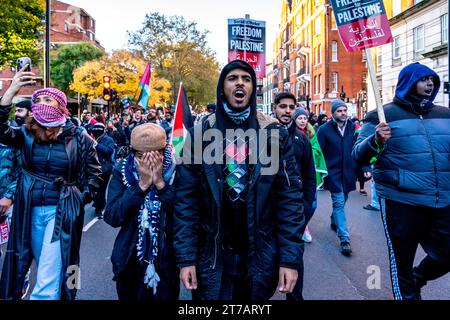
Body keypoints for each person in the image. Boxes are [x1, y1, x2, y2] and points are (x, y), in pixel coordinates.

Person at [173, 60, 304, 300]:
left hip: (257, 256)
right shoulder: (199, 135)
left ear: (253, 88)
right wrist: (186, 258)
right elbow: (185, 201)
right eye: (232, 78)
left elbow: (290, 200)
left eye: (246, 79)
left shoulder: (274, 134)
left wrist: (290, 259)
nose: (240, 83)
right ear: (222, 87)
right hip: (213, 256)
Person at [0, 66, 102, 300]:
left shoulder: (79, 136)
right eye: (39, 99)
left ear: (61, 106)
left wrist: (77, 199)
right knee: (28, 264)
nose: (42, 102)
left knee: (47, 276)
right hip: (29, 210)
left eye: (49, 99)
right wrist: (11, 92)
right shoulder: (25, 133)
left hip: (60, 213)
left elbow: (94, 175)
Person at [353, 62, 450, 300]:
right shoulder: (382, 115)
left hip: (442, 199)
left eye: (432, 80)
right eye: (423, 79)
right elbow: (357, 154)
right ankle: (407, 289)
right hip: (401, 200)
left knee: (446, 255)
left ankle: (417, 279)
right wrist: (375, 140)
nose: (430, 84)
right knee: (402, 266)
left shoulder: (444, 114)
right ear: (409, 83)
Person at [104, 123, 178, 300]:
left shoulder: (177, 172)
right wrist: (141, 186)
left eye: (155, 155)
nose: (148, 162)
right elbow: (112, 216)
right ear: (132, 151)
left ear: (165, 150)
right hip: (129, 259)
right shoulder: (122, 170)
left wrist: (161, 184)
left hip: (166, 262)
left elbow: (184, 216)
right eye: (140, 156)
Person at [272, 93, 315, 301]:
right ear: (274, 108)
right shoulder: (264, 136)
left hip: (294, 211)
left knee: (294, 262)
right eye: (282, 106)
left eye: (291, 107)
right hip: (269, 212)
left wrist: (305, 210)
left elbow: (309, 178)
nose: (287, 111)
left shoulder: (302, 139)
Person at [317, 99, 357, 256]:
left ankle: (334, 218)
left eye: (345, 110)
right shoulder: (324, 130)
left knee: (343, 200)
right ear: (333, 113)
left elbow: (357, 148)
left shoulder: (353, 128)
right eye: (339, 111)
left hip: (348, 172)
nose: (343, 113)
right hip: (333, 173)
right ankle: (344, 239)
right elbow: (318, 152)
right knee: (339, 202)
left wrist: (364, 168)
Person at [293, 107, 328, 243]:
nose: (302, 121)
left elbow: (316, 149)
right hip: (295, 174)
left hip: (310, 173)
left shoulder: (311, 132)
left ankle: (303, 223)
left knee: (312, 204)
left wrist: (306, 152)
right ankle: (300, 226)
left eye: (304, 118)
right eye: (300, 118)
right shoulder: (289, 132)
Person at [91, 122, 115, 219]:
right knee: (93, 188)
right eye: (95, 129)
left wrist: (97, 145)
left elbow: (109, 151)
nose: (96, 131)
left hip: (105, 168)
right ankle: (100, 203)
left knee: (101, 189)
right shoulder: (91, 138)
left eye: (98, 129)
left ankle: (99, 209)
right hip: (93, 167)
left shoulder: (108, 139)